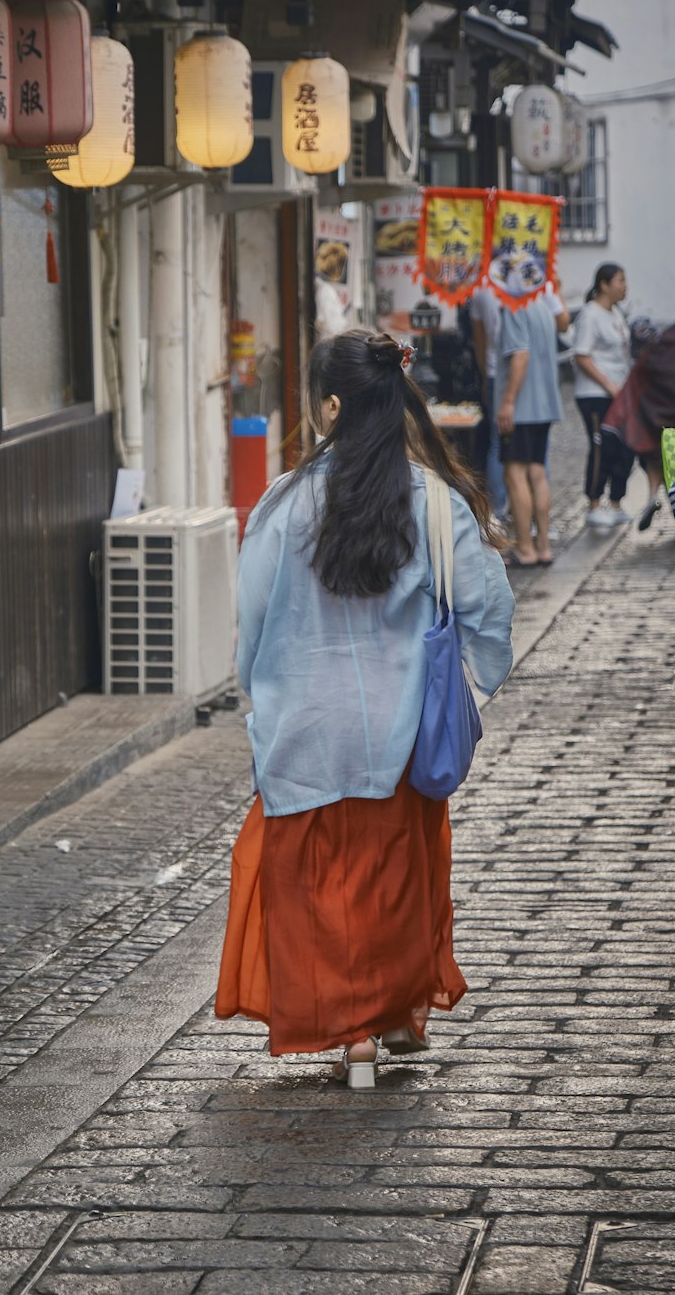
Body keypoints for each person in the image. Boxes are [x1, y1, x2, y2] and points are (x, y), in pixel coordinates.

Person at [215, 331, 514, 1089]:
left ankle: (352, 1035)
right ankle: (388, 1015)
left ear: (331, 408)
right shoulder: (434, 502)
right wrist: (472, 683)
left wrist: (260, 693)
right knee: (392, 878)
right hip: (400, 729)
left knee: (318, 888)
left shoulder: (283, 504)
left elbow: (250, 622)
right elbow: (489, 612)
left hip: (304, 725)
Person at [496, 291, 566, 567]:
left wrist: (508, 401)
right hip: (544, 402)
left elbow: (520, 354)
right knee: (537, 472)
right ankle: (543, 546)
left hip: (522, 405)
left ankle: (525, 548)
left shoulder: (514, 306)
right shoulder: (541, 303)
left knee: (515, 473)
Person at [571, 264, 634, 528]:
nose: (624, 285)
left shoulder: (615, 313)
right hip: (595, 394)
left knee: (625, 446)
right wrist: (608, 385)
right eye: (620, 280)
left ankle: (616, 502)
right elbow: (581, 356)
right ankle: (594, 503)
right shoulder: (590, 315)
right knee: (601, 448)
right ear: (604, 285)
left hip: (620, 393)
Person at [603, 322, 675, 530]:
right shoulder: (667, 350)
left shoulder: (645, 364)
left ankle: (653, 496)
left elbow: (630, 398)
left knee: (655, 461)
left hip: (655, 424)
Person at [470, 284, 507, 515]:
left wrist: (484, 376)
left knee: (497, 441)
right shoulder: (524, 284)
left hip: (495, 372)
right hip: (523, 372)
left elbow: (479, 341)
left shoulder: (482, 291)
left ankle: (497, 509)